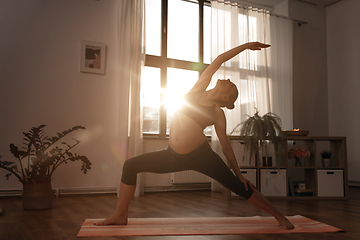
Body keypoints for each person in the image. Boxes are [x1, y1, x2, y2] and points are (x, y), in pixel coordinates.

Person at [95, 42, 294, 230]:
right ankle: (120, 215)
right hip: (172, 155)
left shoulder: (217, 113)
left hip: (202, 157)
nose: (229, 80)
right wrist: (245, 46)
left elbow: (225, 147)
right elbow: (220, 59)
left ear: (226, 98)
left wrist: (239, 175)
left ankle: (278, 215)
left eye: (232, 87)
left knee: (238, 186)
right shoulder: (198, 88)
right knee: (130, 165)